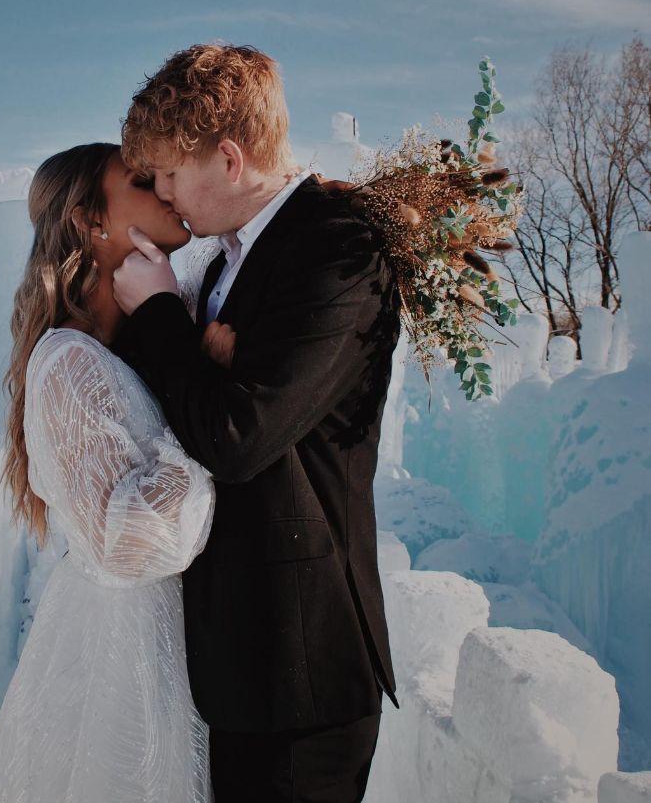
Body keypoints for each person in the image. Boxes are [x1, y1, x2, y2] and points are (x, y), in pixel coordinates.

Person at [113, 43, 403, 803]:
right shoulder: (223, 262)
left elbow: (236, 439)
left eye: (168, 173)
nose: (162, 193)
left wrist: (158, 314)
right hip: (239, 662)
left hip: (302, 673)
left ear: (229, 158)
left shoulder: (339, 247)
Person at [0, 142, 217, 803]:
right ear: (89, 220)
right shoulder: (67, 361)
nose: (166, 188)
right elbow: (125, 542)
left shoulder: (129, 339)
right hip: (123, 665)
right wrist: (207, 431)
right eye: (141, 181)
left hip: (165, 646)